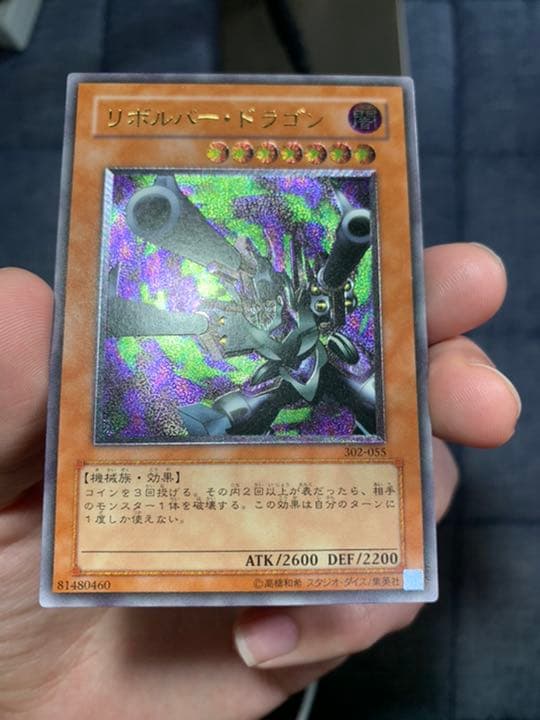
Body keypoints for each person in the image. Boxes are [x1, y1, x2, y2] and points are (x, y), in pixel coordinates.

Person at [0, 242, 520, 720]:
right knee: (243, 411)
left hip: (319, 373)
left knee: (372, 416)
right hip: (270, 391)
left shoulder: (315, 319)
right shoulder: (244, 329)